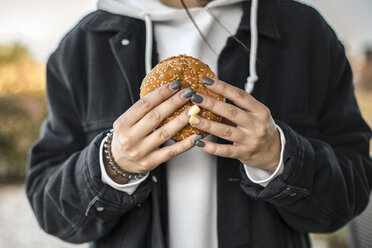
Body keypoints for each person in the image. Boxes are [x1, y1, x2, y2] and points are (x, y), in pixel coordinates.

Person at [26, 0, 372, 247]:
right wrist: (110, 166)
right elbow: (52, 213)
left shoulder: (305, 32)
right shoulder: (84, 45)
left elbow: (350, 196)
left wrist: (279, 156)